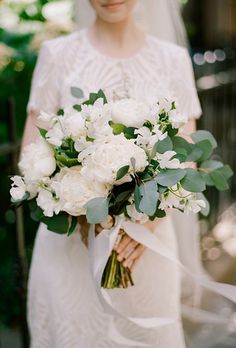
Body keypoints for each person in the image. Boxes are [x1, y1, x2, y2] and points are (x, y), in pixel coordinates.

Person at [22, 1, 202, 347]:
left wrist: (144, 225)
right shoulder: (57, 55)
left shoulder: (172, 59)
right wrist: (79, 206)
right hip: (71, 244)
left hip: (144, 248)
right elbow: (31, 155)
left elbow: (186, 157)